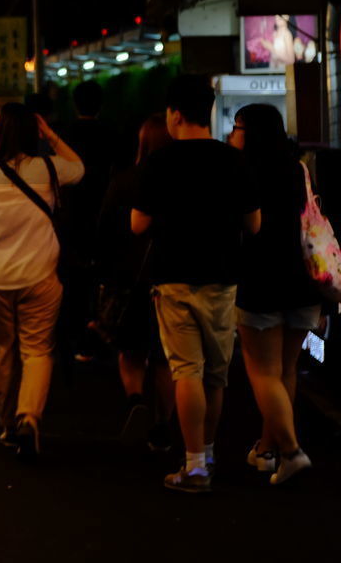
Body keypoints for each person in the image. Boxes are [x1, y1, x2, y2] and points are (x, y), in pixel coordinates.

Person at [131, 75, 260, 493]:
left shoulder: (157, 163)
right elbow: (253, 223)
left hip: (173, 278)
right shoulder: (233, 160)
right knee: (216, 376)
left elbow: (138, 224)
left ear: (175, 114)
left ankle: (194, 467)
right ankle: (208, 453)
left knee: (186, 370)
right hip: (222, 279)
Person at [0, 103, 83, 457]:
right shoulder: (49, 168)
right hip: (41, 276)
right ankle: (29, 418)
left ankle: (8, 426)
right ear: (32, 132)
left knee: (3, 352)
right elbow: (80, 167)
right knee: (38, 349)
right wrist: (52, 135)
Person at [230, 103, 319, 485]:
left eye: (236, 128)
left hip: (260, 280)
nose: (232, 135)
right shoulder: (297, 168)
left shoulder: (242, 171)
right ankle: (267, 451)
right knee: (284, 371)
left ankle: (292, 452)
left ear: (249, 132)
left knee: (262, 372)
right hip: (303, 280)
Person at [95, 114, 175, 451]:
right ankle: (163, 425)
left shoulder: (125, 180)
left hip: (127, 277)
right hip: (169, 276)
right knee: (164, 357)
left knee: (130, 350)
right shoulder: (180, 181)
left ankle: (134, 399)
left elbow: (104, 231)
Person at [60, 81, 117, 363]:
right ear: (101, 104)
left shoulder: (65, 135)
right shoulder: (111, 133)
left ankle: (75, 338)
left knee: (73, 282)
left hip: (71, 216)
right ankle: (99, 332)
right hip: (103, 213)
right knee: (101, 279)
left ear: (75, 104)